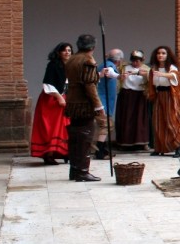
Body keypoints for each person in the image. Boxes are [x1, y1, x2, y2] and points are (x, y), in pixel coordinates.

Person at [64, 34, 104, 182]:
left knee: (75, 137)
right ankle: (81, 171)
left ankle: (74, 169)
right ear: (93, 47)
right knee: (85, 137)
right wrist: (98, 105)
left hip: (72, 101)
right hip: (84, 103)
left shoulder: (72, 59)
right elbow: (90, 85)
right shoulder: (87, 60)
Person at [30, 42, 72, 165]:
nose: (67, 53)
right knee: (51, 128)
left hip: (64, 99)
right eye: (64, 50)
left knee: (64, 126)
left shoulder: (70, 66)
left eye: (69, 50)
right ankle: (48, 154)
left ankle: (64, 152)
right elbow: (47, 83)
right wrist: (59, 97)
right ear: (59, 52)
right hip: (50, 100)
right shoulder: (53, 65)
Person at [148, 45, 180, 157]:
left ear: (167, 55)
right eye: (159, 53)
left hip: (171, 96)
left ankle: (179, 147)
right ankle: (160, 148)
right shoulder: (153, 68)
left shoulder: (172, 67)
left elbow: (174, 76)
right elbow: (151, 81)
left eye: (163, 53)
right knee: (159, 122)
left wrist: (163, 74)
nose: (160, 55)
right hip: (159, 96)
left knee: (172, 121)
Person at [115, 49, 151, 150]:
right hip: (126, 95)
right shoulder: (124, 67)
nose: (136, 62)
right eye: (134, 60)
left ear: (142, 60)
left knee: (140, 119)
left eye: (138, 60)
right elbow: (116, 75)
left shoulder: (146, 69)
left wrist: (144, 74)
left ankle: (142, 142)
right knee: (126, 118)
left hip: (140, 96)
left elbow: (151, 80)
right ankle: (124, 142)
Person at [94, 48, 122, 159]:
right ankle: (99, 150)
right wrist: (119, 76)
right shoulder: (109, 65)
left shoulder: (106, 63)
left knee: (105, 126)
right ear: (119, 60)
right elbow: (109, 72)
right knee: (107, 125)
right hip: (102, 102)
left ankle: (102, 149)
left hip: (105, 101)